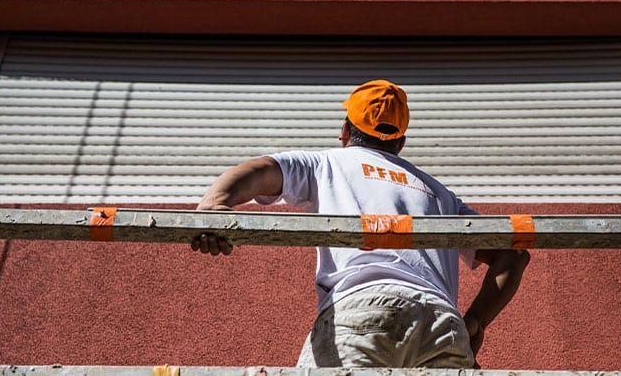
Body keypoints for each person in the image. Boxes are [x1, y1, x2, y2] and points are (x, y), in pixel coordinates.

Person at [192, 79, 529, 368]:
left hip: (365, 310)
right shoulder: (439, 193)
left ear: (344, 131)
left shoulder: (325, 163)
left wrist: (215, 203)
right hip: (441, 323)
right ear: (399, 143)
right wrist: (474, 322)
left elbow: (259, 171)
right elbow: (513, 255)